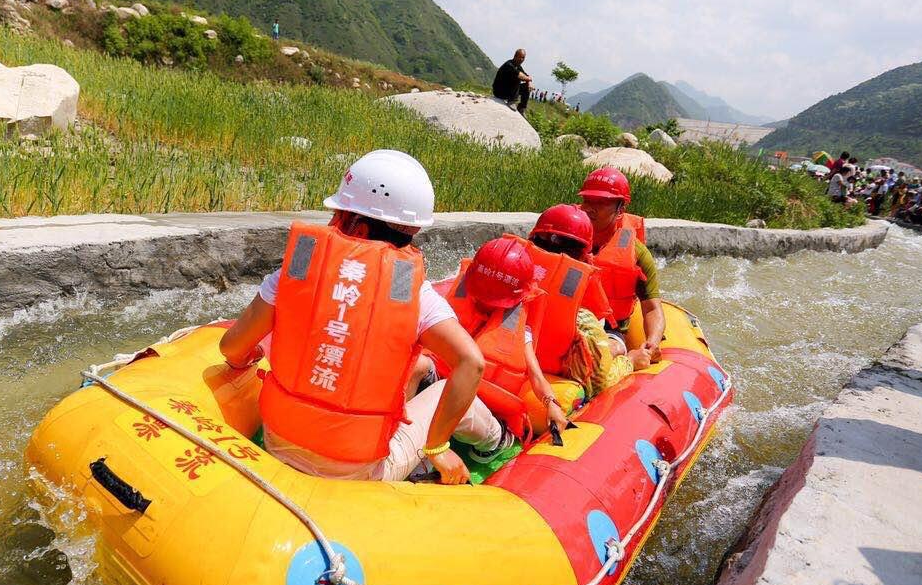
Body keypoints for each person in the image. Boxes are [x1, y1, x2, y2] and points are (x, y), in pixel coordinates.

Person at [218, 150, 513, 484]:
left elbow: (231, 348)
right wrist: (437, 447)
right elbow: (471, 363)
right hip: (360, 473)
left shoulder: (296, 271)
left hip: (279, 446)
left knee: (418, 367)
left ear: (355, 224)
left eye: (338, 213)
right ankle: (497, 442)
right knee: (448, 386)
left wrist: (251, 356)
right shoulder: (413, 294)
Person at [431, 238, 566, 481]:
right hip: (446, 393)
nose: (483, 302)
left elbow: (535, 375)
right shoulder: (444, 306)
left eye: (491, 300)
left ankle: (500, 441)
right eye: (481, 296)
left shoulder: (518, 329)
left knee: (453, 397)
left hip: (487, 412)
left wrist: (551, 403)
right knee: (422, 368)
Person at [521, 204, 633, 396]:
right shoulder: (582, 320)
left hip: (502, 375)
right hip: (555, 388)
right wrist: (630, 361)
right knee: (613, 346)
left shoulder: (501, 283)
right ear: (583, 257)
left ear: (531, 240)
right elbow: (599, 382)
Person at [577, 167, 665, 369]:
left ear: (620, 210)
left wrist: (652, 343)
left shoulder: (637, 253)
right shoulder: (564, 236)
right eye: (587, 200)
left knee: (608, 349)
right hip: (566, 320)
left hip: (608, 330)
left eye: (601, 202)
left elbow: (652, 307)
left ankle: (623, 362)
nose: (590, 208)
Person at [492, 48, 532, 113]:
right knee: (518, 77)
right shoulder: (509, 65)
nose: (521, 59)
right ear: (515, 56)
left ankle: (521, 108)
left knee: (526, 87)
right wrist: (529, 79)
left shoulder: (518, 66)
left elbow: (526, 75)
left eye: (523, 58)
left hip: (508, 90)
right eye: (520, 57)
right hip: (499, 91)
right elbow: (521, 76)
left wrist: (529, 83)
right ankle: (512, 101)